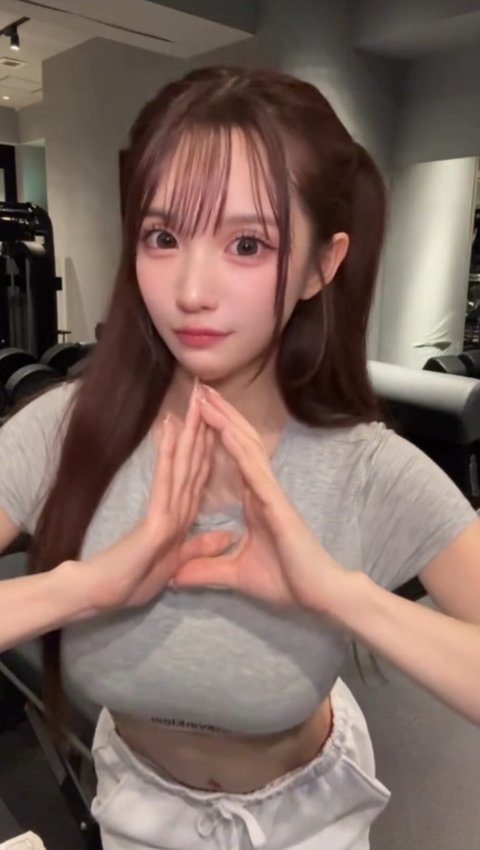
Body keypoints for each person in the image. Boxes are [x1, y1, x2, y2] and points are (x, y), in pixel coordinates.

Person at [0, 65, 479, 850]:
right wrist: (85, 586)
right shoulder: (63, 432)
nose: (191, 289)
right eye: (163, 237)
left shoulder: (368, 471)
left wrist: (340, 595)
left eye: (247, 244)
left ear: (322, 264)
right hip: (134, 813)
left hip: (310, 824)